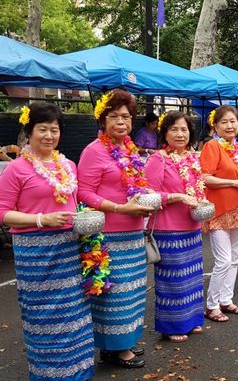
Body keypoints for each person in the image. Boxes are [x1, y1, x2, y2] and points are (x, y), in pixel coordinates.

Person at [0, 103, 95, 380]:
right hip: (35, 252)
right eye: (42, 129)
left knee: (74, 311)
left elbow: (73, 204)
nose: (49, 135)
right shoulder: (16, 169)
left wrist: (83, 217)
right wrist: (41, 220)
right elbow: (3, 213)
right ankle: (50, 374)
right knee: (44, 315)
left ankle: (78, 371)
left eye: (54, 130)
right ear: (29, 133)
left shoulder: (68, 165)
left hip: (68, 246)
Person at [78, 89, 155, 368]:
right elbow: (84, 192)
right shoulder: (93, 150)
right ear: (102, 120)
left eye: (126, 116)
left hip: (134, 231)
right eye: (114, 116)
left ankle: (124, 342)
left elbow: (137, 185)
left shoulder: (129, 149)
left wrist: (149, 195)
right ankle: (115, 349)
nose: (121, 122)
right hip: (107, 235)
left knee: (133, 291)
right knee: (115, 294)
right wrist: (119, 208)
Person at [144, 111, 204, 342]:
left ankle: (192, 320)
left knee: (192, 279)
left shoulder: (192, 158)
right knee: (174, 280)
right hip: (168, 228)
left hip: (192, 225)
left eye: (184, 129)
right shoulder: (159, 159)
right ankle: (173, 326)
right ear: (164, 133)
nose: (180, 134)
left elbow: (197, 188)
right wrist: (177, 197)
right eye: (174, 129)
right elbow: (148, 194)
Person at [200, 105, 238, 322]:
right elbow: (205, 177)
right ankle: (211, 305)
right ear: (215, 126)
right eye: (224, 122)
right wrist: (234, 182)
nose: (229, 125)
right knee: (223, 260)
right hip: (220, 209)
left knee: (235, 258)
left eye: (233, 121)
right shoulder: (212, 146)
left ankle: (226, 300)